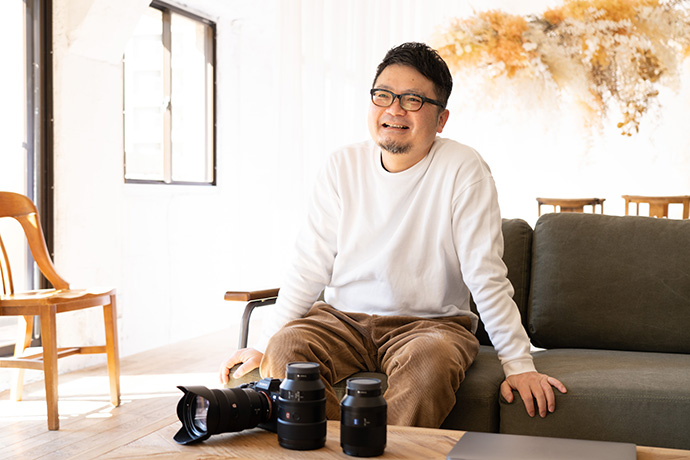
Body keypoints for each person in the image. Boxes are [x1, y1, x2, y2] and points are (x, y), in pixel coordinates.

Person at [220, 42, 566, 427]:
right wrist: (263, 344)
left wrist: (519, 364)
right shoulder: (341, 165)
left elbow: (484, 274)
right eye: (383, 95)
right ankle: (339, 449)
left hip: (431, 327)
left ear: (441, 119)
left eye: (413, 100)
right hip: (339, 321)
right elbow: (309, 265)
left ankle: (380, 450)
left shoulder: (463, 167)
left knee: (429, 364)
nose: (394, 109)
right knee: (285, 350)